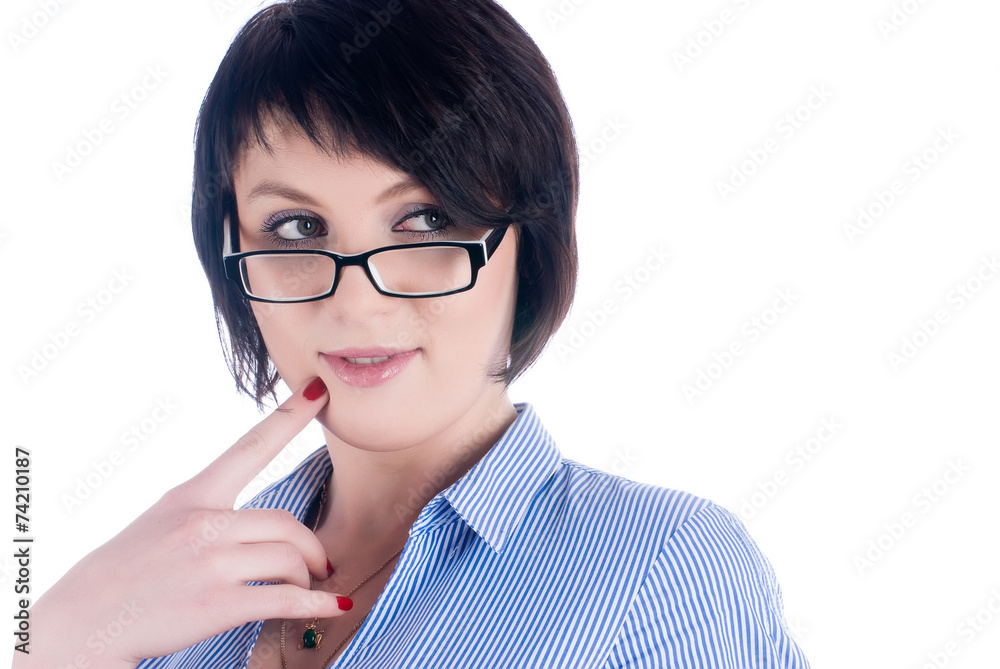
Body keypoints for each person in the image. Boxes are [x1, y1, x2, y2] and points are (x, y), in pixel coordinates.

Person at [19, 1, 811, 667]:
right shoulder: (167, 595)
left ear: (528, 240)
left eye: (425, 220)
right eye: (295, 227)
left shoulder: (664, 568)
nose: (358, 300)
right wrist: (55, 640)